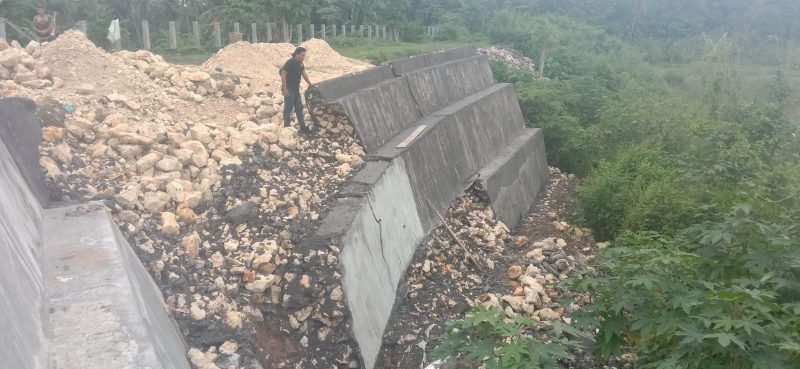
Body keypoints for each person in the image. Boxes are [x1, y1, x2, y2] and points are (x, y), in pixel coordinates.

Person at [280, 47, 316, 134]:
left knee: (299, 107)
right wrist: (285, 89)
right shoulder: (290, 62)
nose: (303, 57)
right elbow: (283, 74)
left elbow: (303, 73)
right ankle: (286, 128)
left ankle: (303, 127)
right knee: (288, 108)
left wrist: (310, 84)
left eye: (304, 56)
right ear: (297, 54)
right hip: (289, 89)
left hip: (296, 90)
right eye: (302, 55)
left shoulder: (300, 63)